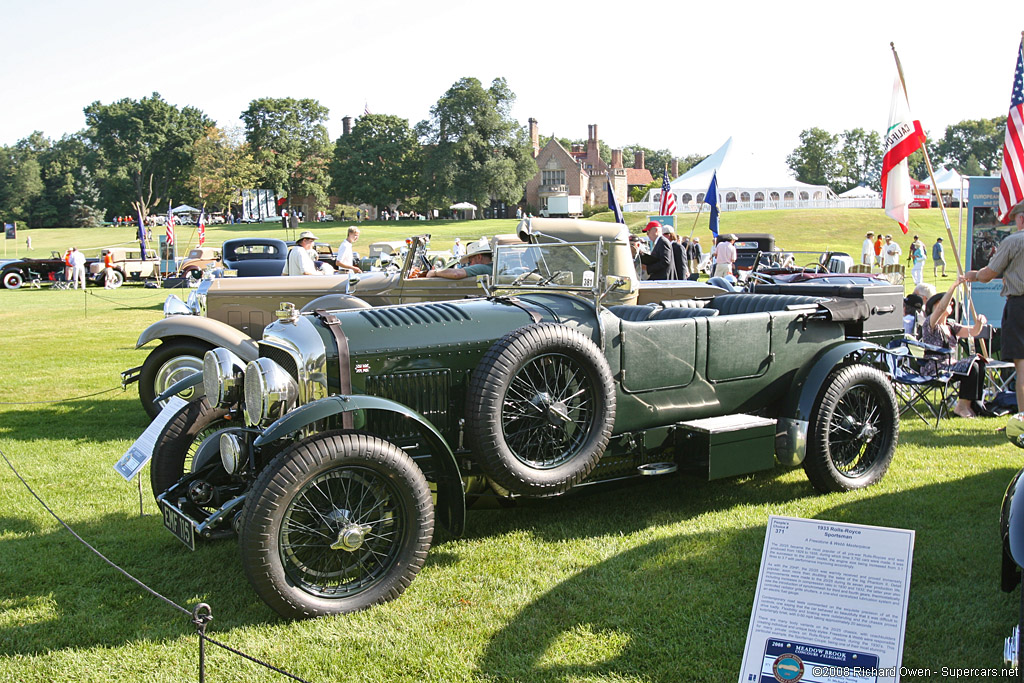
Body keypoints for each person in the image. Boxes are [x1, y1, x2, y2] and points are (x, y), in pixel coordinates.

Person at [965, 199, 1024, 412]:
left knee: (1022, 365)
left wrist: (972, 275)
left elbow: (989, 274)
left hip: (1020, 305)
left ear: (1021, 219)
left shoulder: (1013, 241)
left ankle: (1023, 420)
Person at [921, 278, 988, 418]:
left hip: (951, 365)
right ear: (934, 307)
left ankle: (972, 404)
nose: (948, 303)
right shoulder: (930, 325)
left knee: (979, 363)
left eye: (950, 302)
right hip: (935, 367)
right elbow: (941, 309)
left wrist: (980, 323)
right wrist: (954, 286)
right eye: (944, 301)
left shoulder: (951, 325)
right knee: (972, 366)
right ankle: (961, 407)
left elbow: (974, 332)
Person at [426, 238, 491, 279]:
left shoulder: (482, 267)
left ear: (479, 257)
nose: (470, 265)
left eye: (470, 261)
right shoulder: (493, 267)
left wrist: (435, 272)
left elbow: (457, 274)